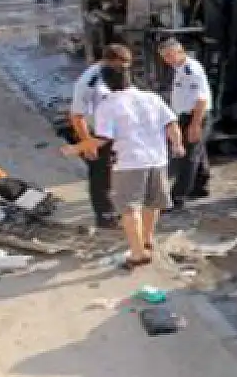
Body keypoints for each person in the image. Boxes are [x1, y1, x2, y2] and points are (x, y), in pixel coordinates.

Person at [61, 65, 184, 270]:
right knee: (152, 203)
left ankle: (137, 254)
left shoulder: (108, 105)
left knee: (129, 209)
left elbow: (102, 138)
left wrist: (76, 148)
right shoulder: (152, 98)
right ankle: (147, 240)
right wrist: (178, 145)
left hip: (129, 162)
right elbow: (171, 124)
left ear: (107, 84)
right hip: (157, 159)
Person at [68, 44, 133, 228]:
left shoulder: (118, 74)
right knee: (100, 177)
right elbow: (76, 115)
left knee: (119, 173)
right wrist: (87, 143)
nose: (125, 70)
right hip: (98, 134)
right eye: (121, 66)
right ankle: (105, 217)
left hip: (117, 133)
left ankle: (119, 210)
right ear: (109, 61)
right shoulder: (88, 82)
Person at [159, 39, 213, 209]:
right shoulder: (180, 68)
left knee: (188, 157)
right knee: (198, 151)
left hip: (195, 116)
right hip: (186, 116)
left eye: (169, 55)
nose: (167, 60)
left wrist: (195, 124)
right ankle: (201, 186)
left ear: (180, 51)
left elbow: (201, 99)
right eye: (164, 57)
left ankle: (177, 197)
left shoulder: (191, 70)